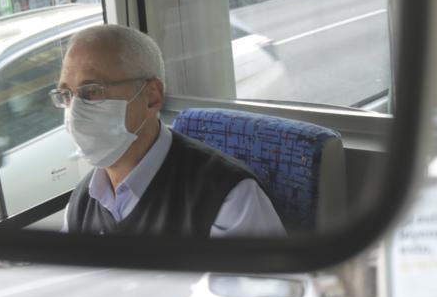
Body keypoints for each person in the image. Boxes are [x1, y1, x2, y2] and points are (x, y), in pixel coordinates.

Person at [54, 24, 284, 237]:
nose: (74, 111)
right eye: (66, 95)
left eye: (92, 91)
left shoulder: (226, 197)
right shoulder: (81, 203)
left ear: (151, 97)